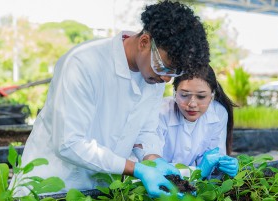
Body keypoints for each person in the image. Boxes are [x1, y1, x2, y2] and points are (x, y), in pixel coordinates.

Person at [11, 0, 210, 198]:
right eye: (164, 67)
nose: (166, 78)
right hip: (52, 185)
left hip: (102, 187)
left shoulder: (153, 78)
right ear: (144, 42)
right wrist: (137, 169)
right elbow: (69, 143)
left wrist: (153, 159)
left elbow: (145, 130)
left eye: (175, 73)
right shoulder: (83, 63)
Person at [157, 66, 239, 179]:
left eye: (201, 96)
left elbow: (215, 162)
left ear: (212, 96)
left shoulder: (218, 113)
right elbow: (152, 165)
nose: (192, 104)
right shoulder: (160, 112)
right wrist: (199, 171)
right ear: (174, 93)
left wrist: (223, 166)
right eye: (184, 95)